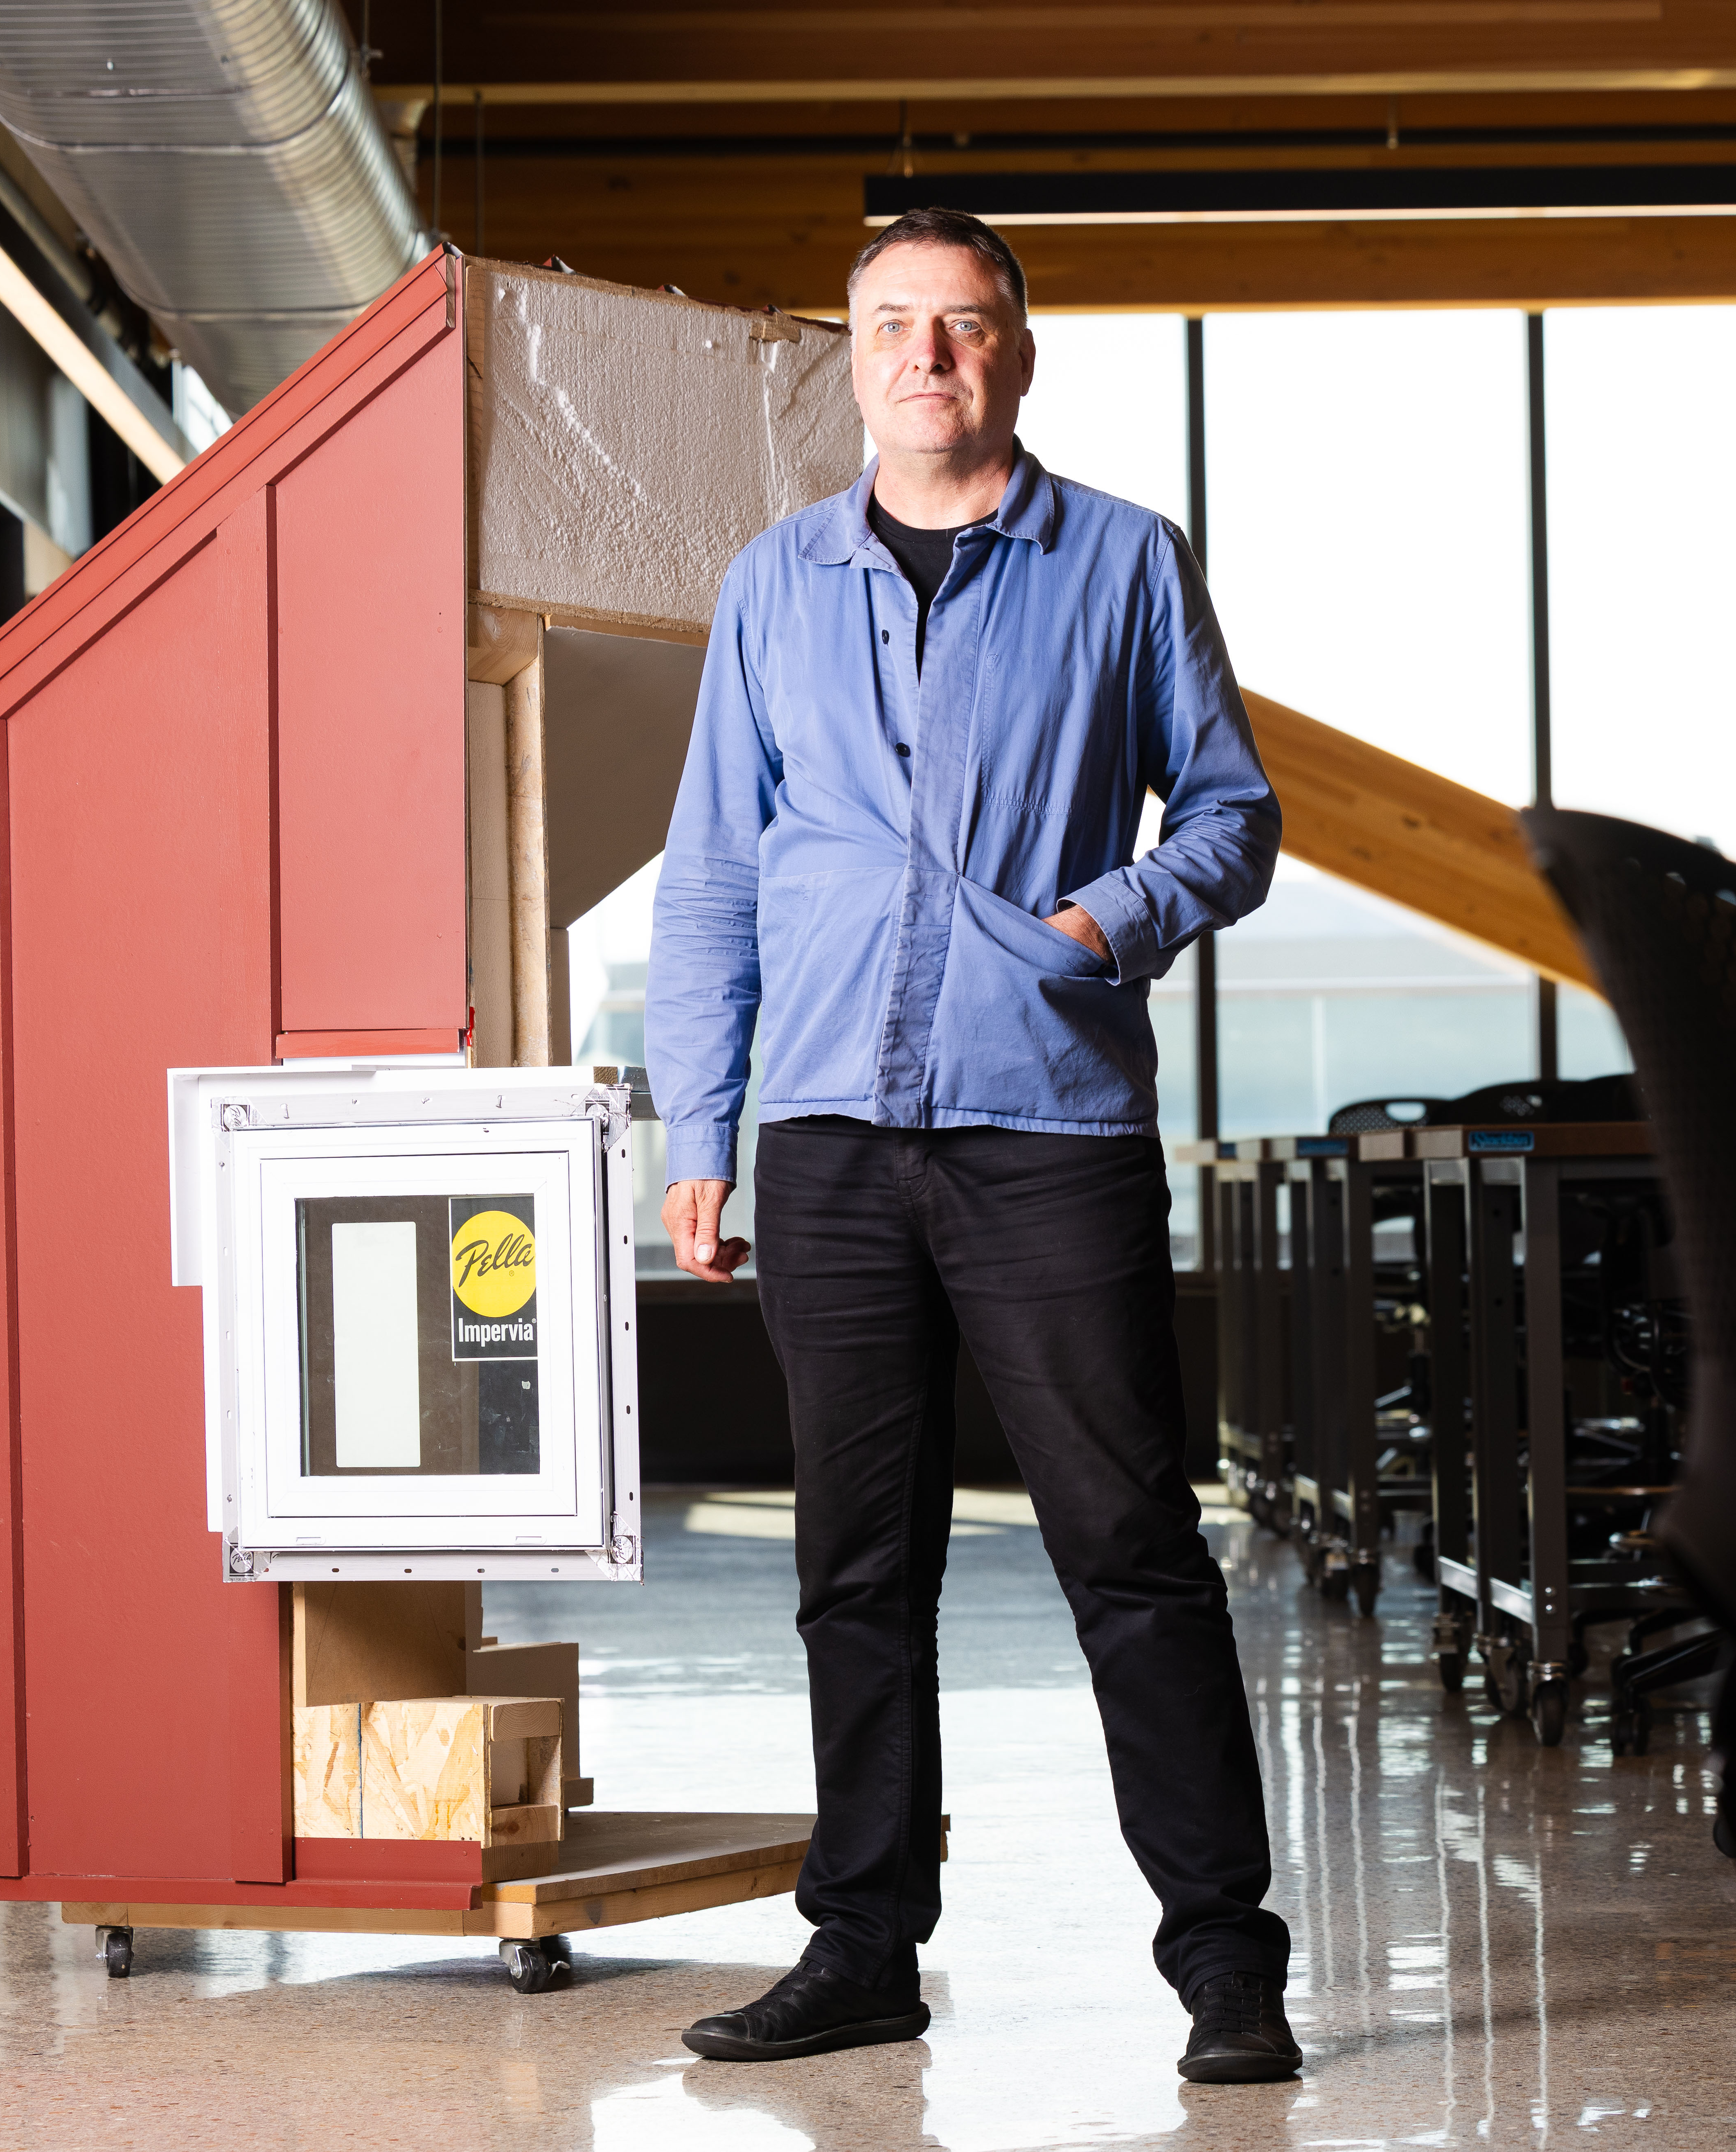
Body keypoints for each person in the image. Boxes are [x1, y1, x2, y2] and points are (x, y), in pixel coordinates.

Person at [645, 207, 1297, 2084]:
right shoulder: (774, 582)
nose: (929, 356)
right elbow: (713, 871)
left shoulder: (1121, 562)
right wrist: (705, 1115)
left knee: (1131, 1546)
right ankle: (861, 1943)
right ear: (849, 359)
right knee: (856, 1562)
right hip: (832, 1132)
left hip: (1048, 1122)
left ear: (1017, 351)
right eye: (892, 327)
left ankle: (1225, 1964)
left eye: (965, 324)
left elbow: (1234, 815)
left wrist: (1105, 923)